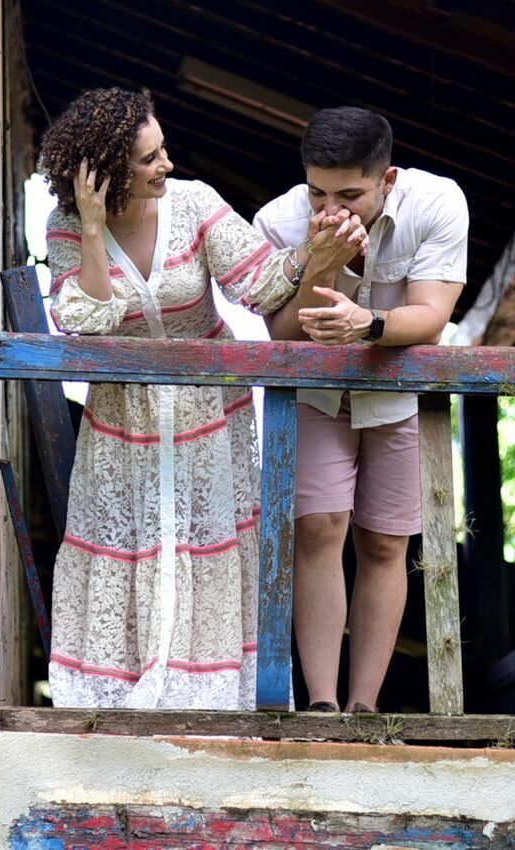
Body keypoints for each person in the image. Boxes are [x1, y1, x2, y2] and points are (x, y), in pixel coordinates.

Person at [42, 87, 330, 709]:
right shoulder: (67, 226)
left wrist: (314, 253)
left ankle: (203, 694)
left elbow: (259, 283)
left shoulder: (195, 203)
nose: (166, 165)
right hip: (122, 419)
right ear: (104, 174)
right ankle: (118, 697)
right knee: (126, 545)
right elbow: (82, 320)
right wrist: (93, 229)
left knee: (206, 544)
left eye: (162, 150)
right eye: (148, 159)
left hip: (207, 415)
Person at [255, 107, 467, 715]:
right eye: (318, 191)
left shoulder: (437, 204)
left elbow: (431, 316)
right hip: (316, 395)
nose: (332, 209)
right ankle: (321, 704)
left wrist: (367, 324)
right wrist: (319, 262)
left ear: (388, 179)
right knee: (318, 530)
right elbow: (282, 338)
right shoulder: (277, 220)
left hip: (396, 392)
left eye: (350, 194)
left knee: (384, 543)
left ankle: (365, 707)